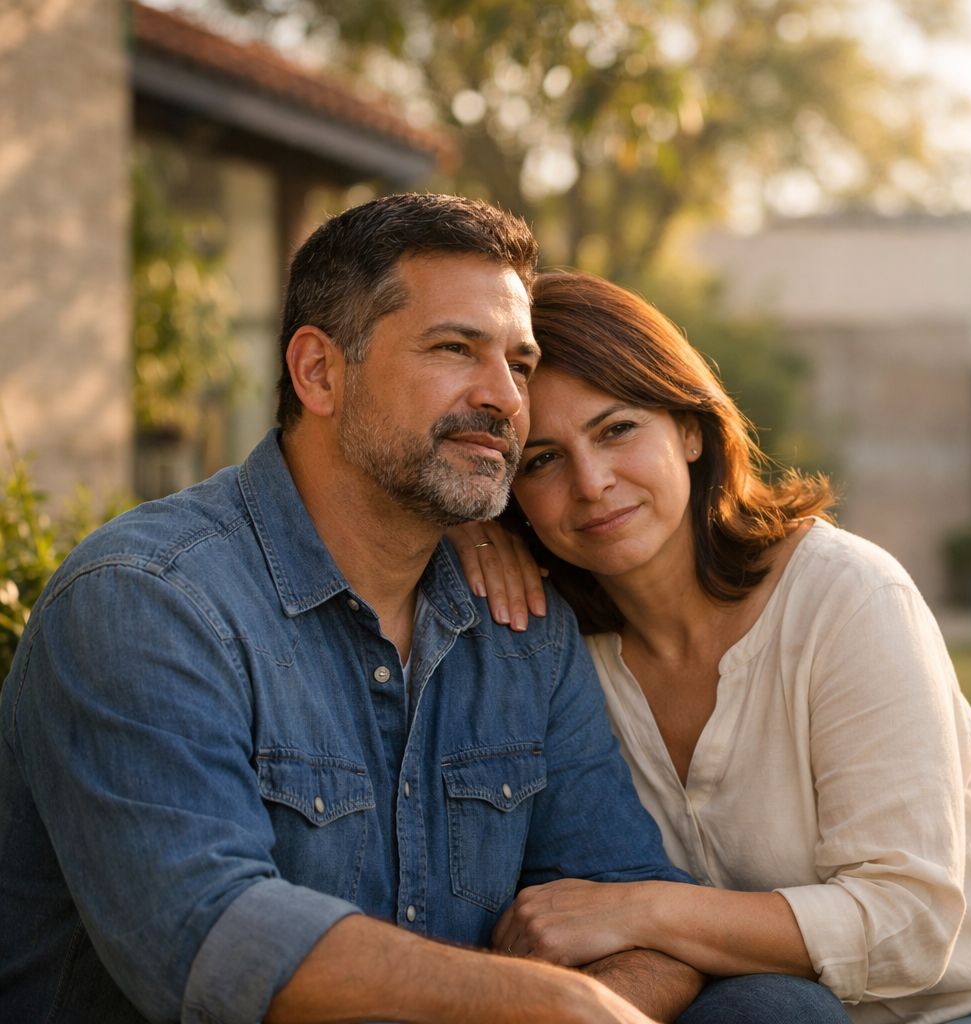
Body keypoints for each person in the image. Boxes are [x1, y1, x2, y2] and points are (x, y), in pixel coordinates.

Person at [0, 194, 711, 1024]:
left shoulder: (520, 629)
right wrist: (552, 1006)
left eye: (519, 364)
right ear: (319, 372)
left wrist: (594, 1007)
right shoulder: (147, 601)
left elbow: (639, 908)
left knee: (774, 1009)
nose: (507, 400)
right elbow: (211, 940)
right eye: (456, 349)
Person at [446, 271, 971, 1024]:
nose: (592, 482)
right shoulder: (556, 651)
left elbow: (908, 924)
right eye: (542, 460)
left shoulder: (846, 597)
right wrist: (460, 530)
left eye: (617, 430)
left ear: (689, 428)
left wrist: (637, 910)